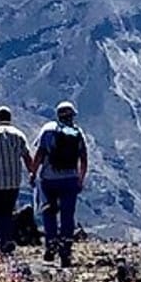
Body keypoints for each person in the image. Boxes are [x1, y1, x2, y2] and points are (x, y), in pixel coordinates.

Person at [31, 101, 89, 267]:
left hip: (49, 179)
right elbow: (83, 159)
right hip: (70, 180)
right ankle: (66, 249)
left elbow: (40, 154)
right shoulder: (77, 133)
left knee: (49, 211)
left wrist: (33, 172)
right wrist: (80, 178)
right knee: (67, 215)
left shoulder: (48, 131)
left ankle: (50, 245)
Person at [0, 106, 33, 254]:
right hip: (14, 181)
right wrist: (32, 173)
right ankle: (7, 238)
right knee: (9, 210)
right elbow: (27, 157)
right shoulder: (19, 135)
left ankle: (4, 240)